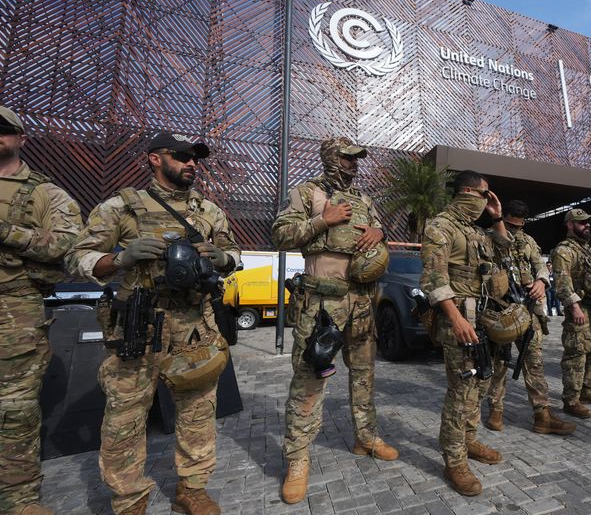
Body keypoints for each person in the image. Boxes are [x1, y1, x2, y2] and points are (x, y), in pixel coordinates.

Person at [66, 133, 240, 515]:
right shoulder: (122, 207)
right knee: (125, 417)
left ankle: (191, 489)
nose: (191, 163)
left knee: (198, 411)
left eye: (195, 158)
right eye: (182, 156)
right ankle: (129, 499)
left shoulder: (208, 211)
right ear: (155, 159)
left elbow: (234, 255)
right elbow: (76, 257)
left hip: (195, 324)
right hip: (138, 325)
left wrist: (222, 257)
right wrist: (119, 258)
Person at [272, 136, 398, 505]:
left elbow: (377, 232)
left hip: (363, 301)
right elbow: (280, 235)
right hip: (322, 304)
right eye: (347, 158)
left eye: (356, 159)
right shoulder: (307, 192)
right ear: (330, 158)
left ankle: (366, 436)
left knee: (364, 375)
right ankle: (297, 459)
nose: (353, 164)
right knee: (310, 379)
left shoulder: (364, 200)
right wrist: (322, 219)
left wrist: (379, 232)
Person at [0, 106, 82, 515]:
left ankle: (19, 501)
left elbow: (69, 246)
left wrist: (7, 232)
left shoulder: (44, 194)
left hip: (14, 310)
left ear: (20, 139)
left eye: (4, 130)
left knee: (14, 411)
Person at [420, 170, 510, 496]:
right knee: (461, 392)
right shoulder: (440, 226)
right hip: (459, 323)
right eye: (486, 194)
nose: (488, 200)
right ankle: (454, 459)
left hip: (482, 320)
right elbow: (433, 279)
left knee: (480, 384)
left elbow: (504, 253)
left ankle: (468, 439)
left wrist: (497, 218)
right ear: (469, 191)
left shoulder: (474, 230)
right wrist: (456, 320)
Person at [484, 200, 575, 435]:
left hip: (528, 309)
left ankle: (542, 415)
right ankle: (495, 410)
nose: (515, 231)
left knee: (533, 361)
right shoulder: (487, 237)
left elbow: (541, 265)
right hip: (500, 310)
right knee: (500, 363)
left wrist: (541, 282)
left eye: (519, 226)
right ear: (503, 219)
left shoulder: (528, 240)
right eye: (511, 225)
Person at [550, 208, 591, 419]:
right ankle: (571, 400)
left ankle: (589, 391)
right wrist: (574, 307)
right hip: (580, 308)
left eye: (588, 222)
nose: (587, 225)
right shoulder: (564, 251)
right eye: (581, 222)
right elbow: (562, 282)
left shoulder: (589, 250)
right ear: (570, 225)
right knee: (576, 354)